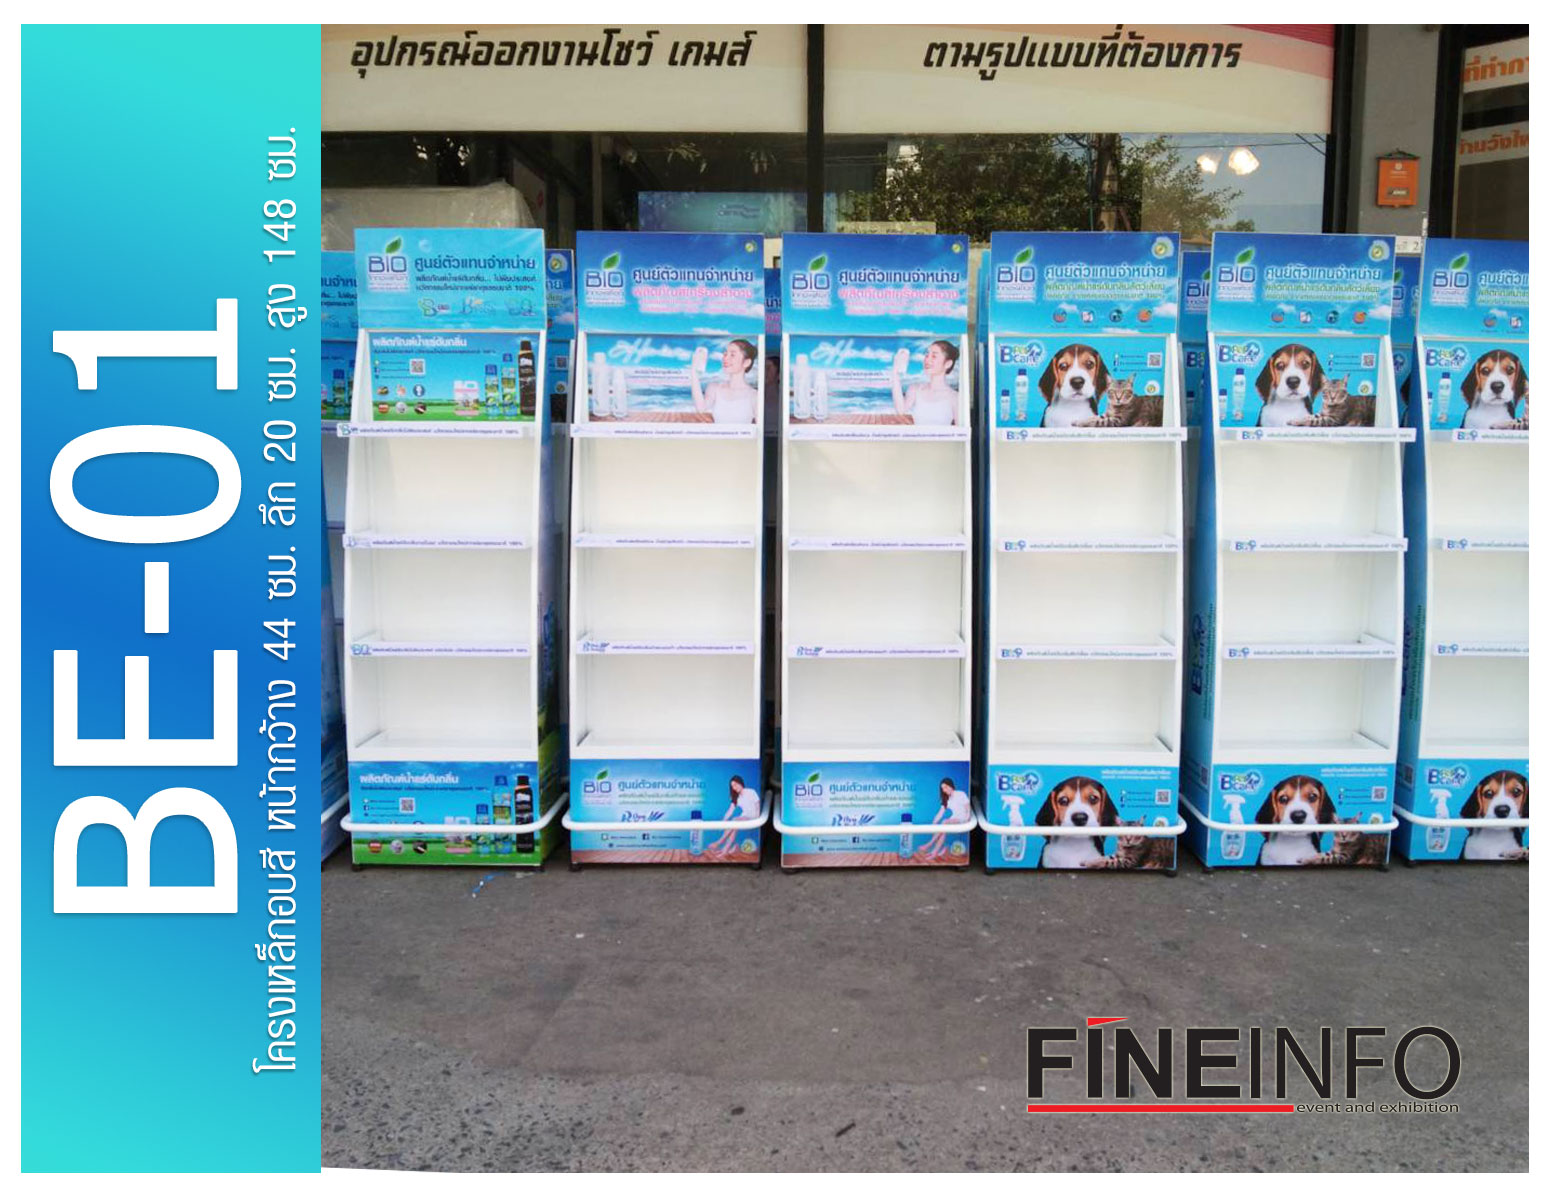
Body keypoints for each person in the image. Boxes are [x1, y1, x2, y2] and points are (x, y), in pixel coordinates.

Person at [891, 339, 959, 426]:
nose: (927, 359)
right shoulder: (915, 389)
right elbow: (900, 410)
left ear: (948, 364)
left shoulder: (955, 397)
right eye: (927, 355)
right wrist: (895, 371)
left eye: (934, 356)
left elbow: (960, 430)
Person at [691, 338, 759, 424]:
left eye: (732, 355)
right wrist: (693, 371)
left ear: (746, 362)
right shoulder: (714, 388)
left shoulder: (754, 396)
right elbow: (701, 408)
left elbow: (759, 429)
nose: (725, 358)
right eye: (725, 354)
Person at [918, 777, 972, 861]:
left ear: (951, 785)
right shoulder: (947, 799)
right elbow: (940, 813)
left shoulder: (961, 794)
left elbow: (968, 808)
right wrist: (933, 823)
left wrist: (967, 820)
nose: (944, 790)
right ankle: (934, 853)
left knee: (944, 822)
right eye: (943, 788)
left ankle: (929, 844)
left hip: (963, 818)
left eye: (946, 787)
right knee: (943, 830)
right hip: (954, 819)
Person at [706, 775, 761, 859]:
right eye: (732, 786)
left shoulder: (751, 792)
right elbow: (730, 811)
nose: (734, 788)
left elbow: (758, 807)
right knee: (734, 826)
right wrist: (723, 822)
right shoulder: (737, 797)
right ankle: (725, 850)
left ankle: (719, 842)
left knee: (735, 820)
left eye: (735, 784)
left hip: (754, 817)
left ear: (740, 782)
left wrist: (757, 820)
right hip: (744, 818)